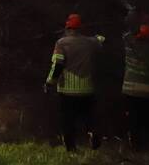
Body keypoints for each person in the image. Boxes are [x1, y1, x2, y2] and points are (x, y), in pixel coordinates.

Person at [45, 13, 105, 151]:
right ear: (80, 28)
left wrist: (50, 82)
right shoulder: (90, 42)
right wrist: (97, 37)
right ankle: (93, 132)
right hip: (87, 88)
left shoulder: (61, 43)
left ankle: (71, 148)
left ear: (67, 28)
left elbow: (58, 65)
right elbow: (101, 39)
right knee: (87, 116)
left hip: (67, 89)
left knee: (67, 120)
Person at [122, 11, 149, 150]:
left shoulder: (130, 43)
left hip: (131, 89)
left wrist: (132, 19)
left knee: (133, 119)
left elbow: (126, 35)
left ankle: (135, 145)